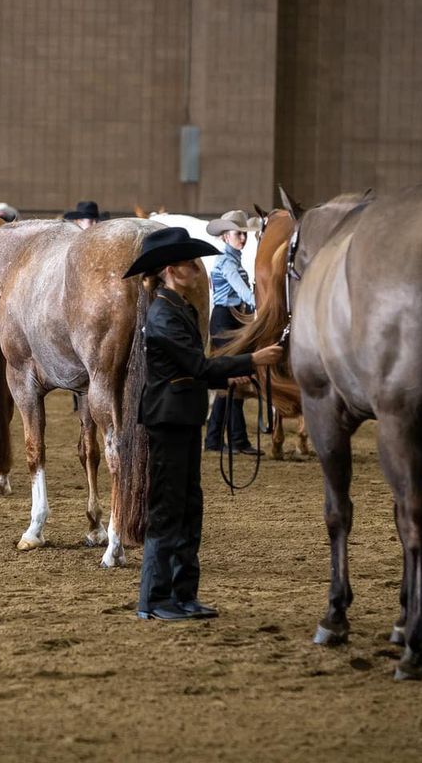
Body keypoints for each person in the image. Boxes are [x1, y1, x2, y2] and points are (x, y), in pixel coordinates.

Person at [123, 226, 283, 621]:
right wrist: (251, 361)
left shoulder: (178, 308)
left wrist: (227, 377)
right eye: (190, 262)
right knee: (167, 509)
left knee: (189, 506)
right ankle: (155, 599)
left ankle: (183, 593)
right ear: (172, 269)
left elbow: (193, 370)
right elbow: (195, 365)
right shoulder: (162, 314)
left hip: (183, 416)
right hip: (168, 420)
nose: (197, 267)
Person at [205, 210, 262, 455]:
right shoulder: (227, 262)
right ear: (226, 236)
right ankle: (224, 439)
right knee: (230, 378)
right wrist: (261, 305)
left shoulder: (233, 260)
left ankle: (224, 439)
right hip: (226, 319)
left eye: (243, 234)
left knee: (233, 380)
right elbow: (242, 292)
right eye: (238, 234)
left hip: (232, 318)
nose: (243, 238)